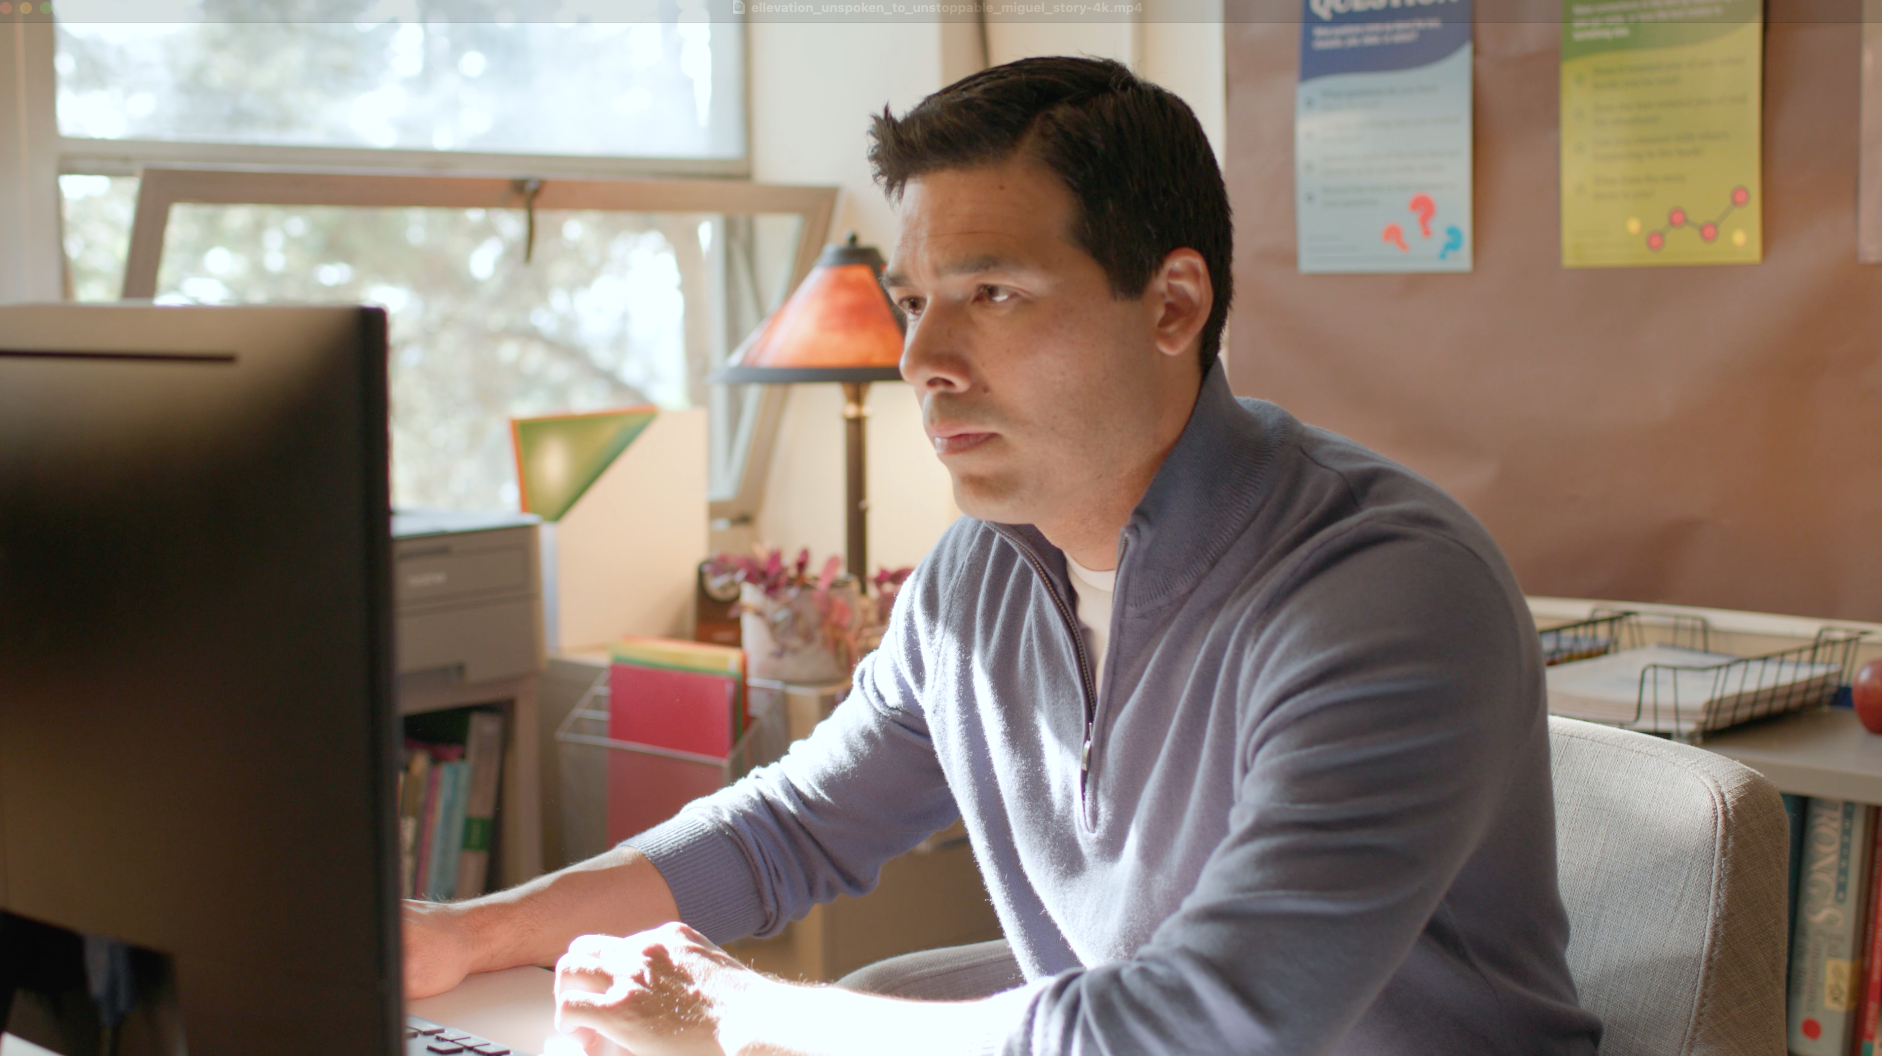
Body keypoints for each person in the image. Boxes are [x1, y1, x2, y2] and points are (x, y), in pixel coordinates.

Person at [404, 56, 1603, 1056]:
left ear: (1173, 306)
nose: (922, 355)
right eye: (914, 295)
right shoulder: (980, 574)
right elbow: (793, 828)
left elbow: (1215, 1026)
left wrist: (758, 1018)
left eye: (992, 292)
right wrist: (473, 934)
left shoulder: (1381, 592)